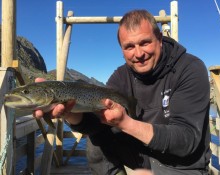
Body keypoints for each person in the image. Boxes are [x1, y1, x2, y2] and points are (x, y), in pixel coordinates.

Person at [34, 10, 211, 175]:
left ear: (160, 38)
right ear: (121, 49)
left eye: (145, 43)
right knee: (98, 138)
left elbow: (186, 140)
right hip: (142, 155)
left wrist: (125, 123)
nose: (139, 53)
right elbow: (96, 124)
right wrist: (70, 114)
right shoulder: (120, 77)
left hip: (183, 165)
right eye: (129, 47)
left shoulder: (190, 69)